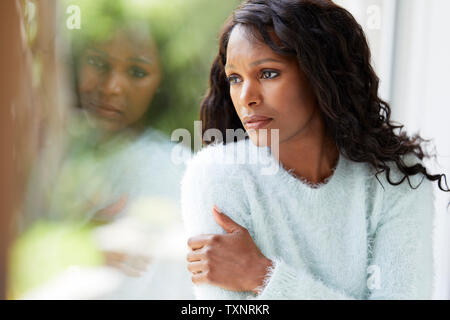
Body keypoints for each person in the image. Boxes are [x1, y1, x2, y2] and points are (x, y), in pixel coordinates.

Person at [180, 0, 449, 300]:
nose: (246, 98)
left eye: (268, 73)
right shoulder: (218, 175)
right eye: (235, 78)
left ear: (322, 75)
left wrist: (263, 276)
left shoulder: (396, 178)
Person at [18, 21, 193, 299]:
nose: (112, 88)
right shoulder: (48, 150)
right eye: (98, 64)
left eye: (137, 72)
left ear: (163, 80)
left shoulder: (176, 169)